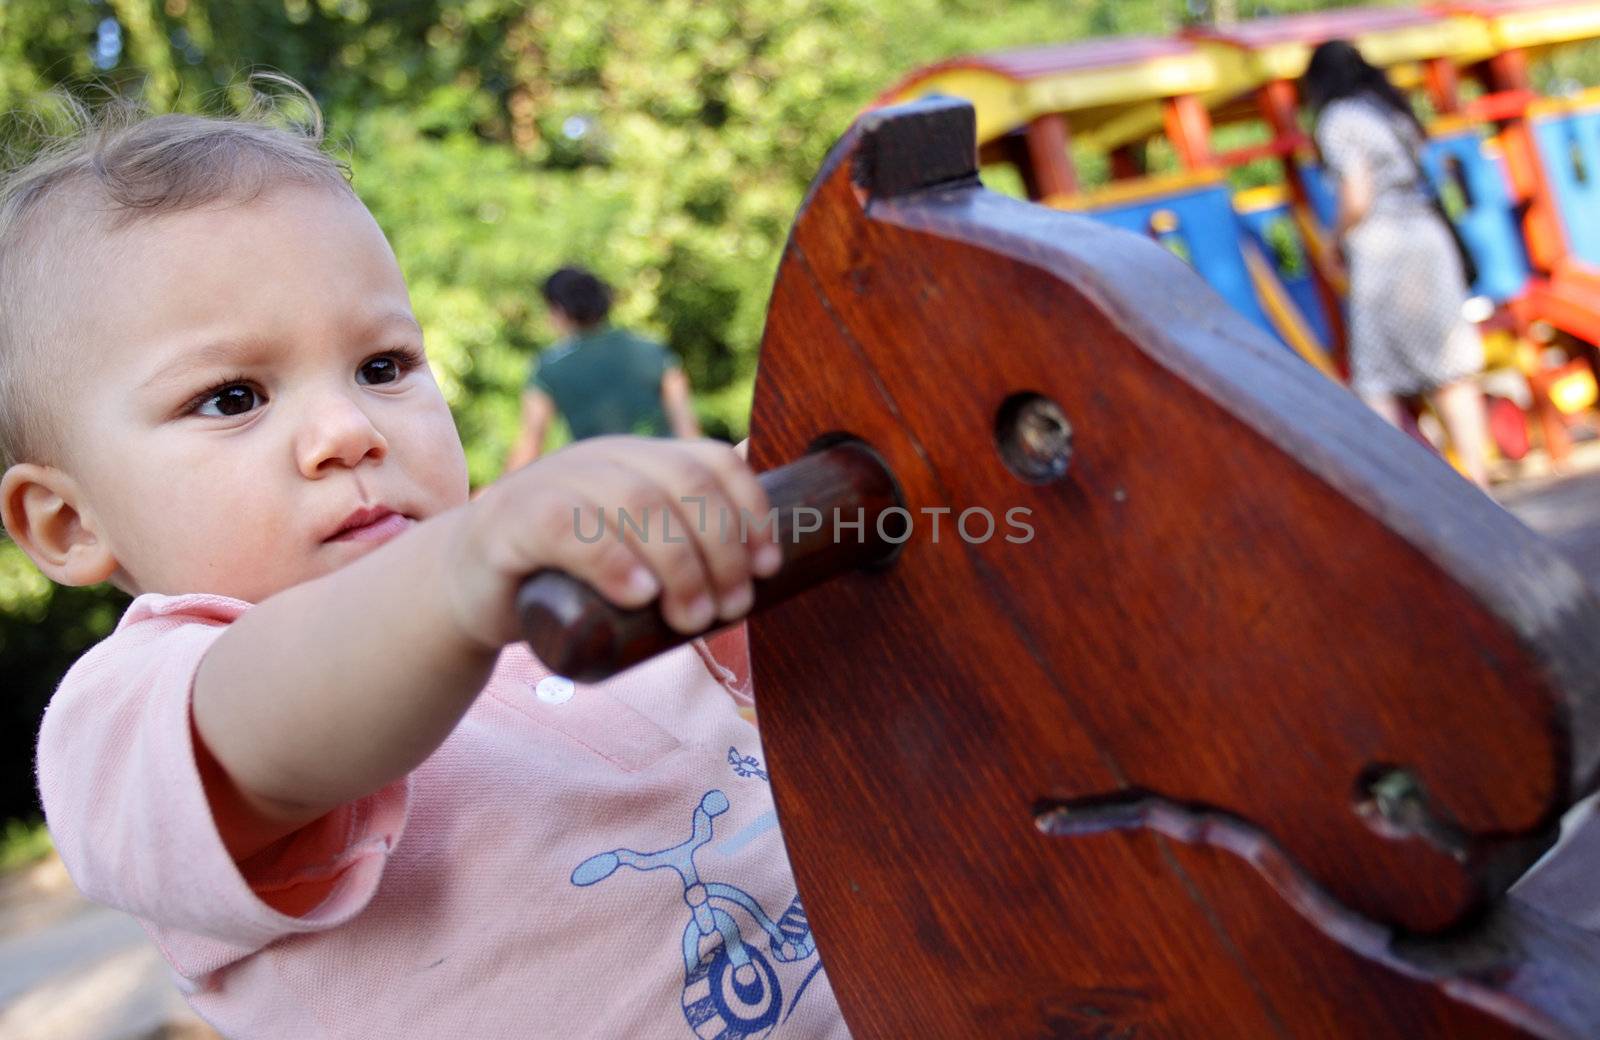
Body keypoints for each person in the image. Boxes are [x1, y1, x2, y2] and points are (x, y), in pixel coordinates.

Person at [0, 89, 848, 1038]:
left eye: (382, 367)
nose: (348, 432)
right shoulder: (131, 709)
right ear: (68, 521)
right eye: (233, 396)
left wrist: (752, 495)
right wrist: (465, 568)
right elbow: (270, 731)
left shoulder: (530, 573)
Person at [1302, 39, 1492, 488]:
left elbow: (1357, 195)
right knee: (1450, 371)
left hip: (1384, 250)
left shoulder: (1338, 118)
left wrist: (1332, 242)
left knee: (1377, 381)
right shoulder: (1387, 108)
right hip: (1429, 239)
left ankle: (1407, 497)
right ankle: (1482, 488)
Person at [506, 265, 700, 470]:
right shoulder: (651, 349)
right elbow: (688, 430)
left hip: (601, 482)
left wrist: (493, 495)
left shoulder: (549, 367)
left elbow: (531, 444)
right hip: (664, 472)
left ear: (559, 310)